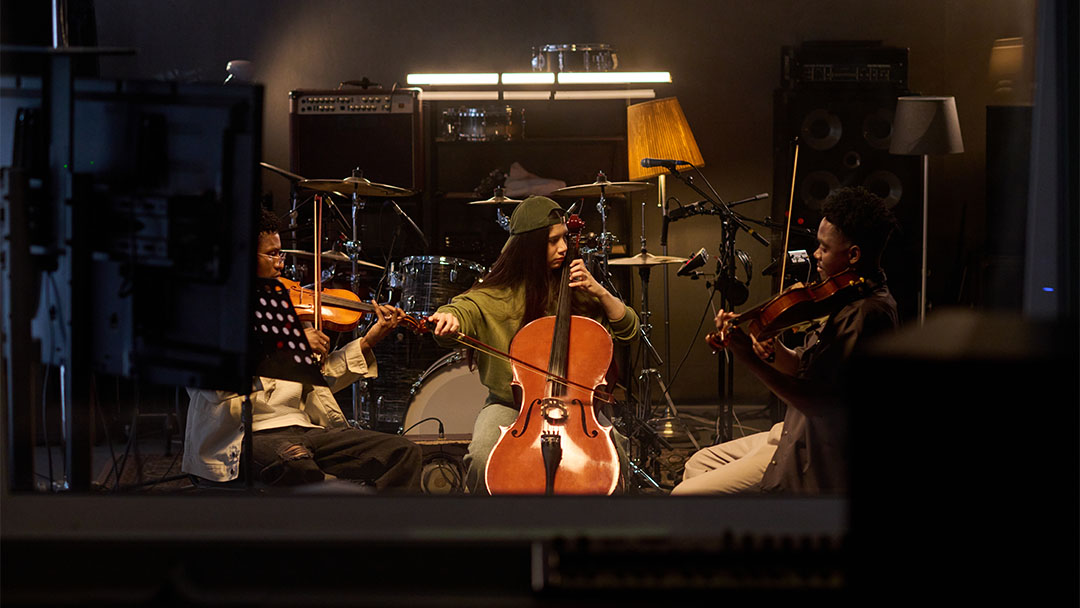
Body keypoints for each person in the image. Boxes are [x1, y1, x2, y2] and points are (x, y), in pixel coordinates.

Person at [672, 186, 900, 495]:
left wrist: (747, 357)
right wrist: (772, 352)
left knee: (685, 495)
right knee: (698, 463)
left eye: (824, 248)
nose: (815, 254)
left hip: (815, 450)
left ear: (854, 255)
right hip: (791, 431)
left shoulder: (865, 314)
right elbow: (801, 366)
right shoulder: (846, 296)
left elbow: (815, 402)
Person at [183, 208, 423, 490]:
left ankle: (378, 519)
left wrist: (369, 340)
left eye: (281, 254)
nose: (280, 265)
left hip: (306, 429)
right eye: (272, 254)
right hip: (246, 436)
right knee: (297, 466)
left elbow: (322, 381)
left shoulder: (288, 309)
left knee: (403, 452)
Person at [427, 196, 640, 494]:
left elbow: (629, 330)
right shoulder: (495, 295)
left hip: (577, 408)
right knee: (482, 459)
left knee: (615, 460)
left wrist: (601, 292)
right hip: (511, 408)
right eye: (553, 241)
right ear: (529, 247)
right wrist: (449, 317)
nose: (563, 248)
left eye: (564, 238)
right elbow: (463, 309)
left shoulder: (577, 289)